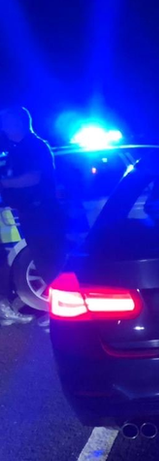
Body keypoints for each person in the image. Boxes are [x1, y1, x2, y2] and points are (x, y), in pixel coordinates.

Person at [0, 107, 66, 326]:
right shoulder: (14, 149)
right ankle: (60, 311)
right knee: (44, 261)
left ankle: (65, 313)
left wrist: (3, 183)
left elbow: (32, 179)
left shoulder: (34, 147)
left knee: (51, 261)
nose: (2, 124)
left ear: (19, 123)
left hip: (43, 213)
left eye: (6, 120)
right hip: (30, 213)